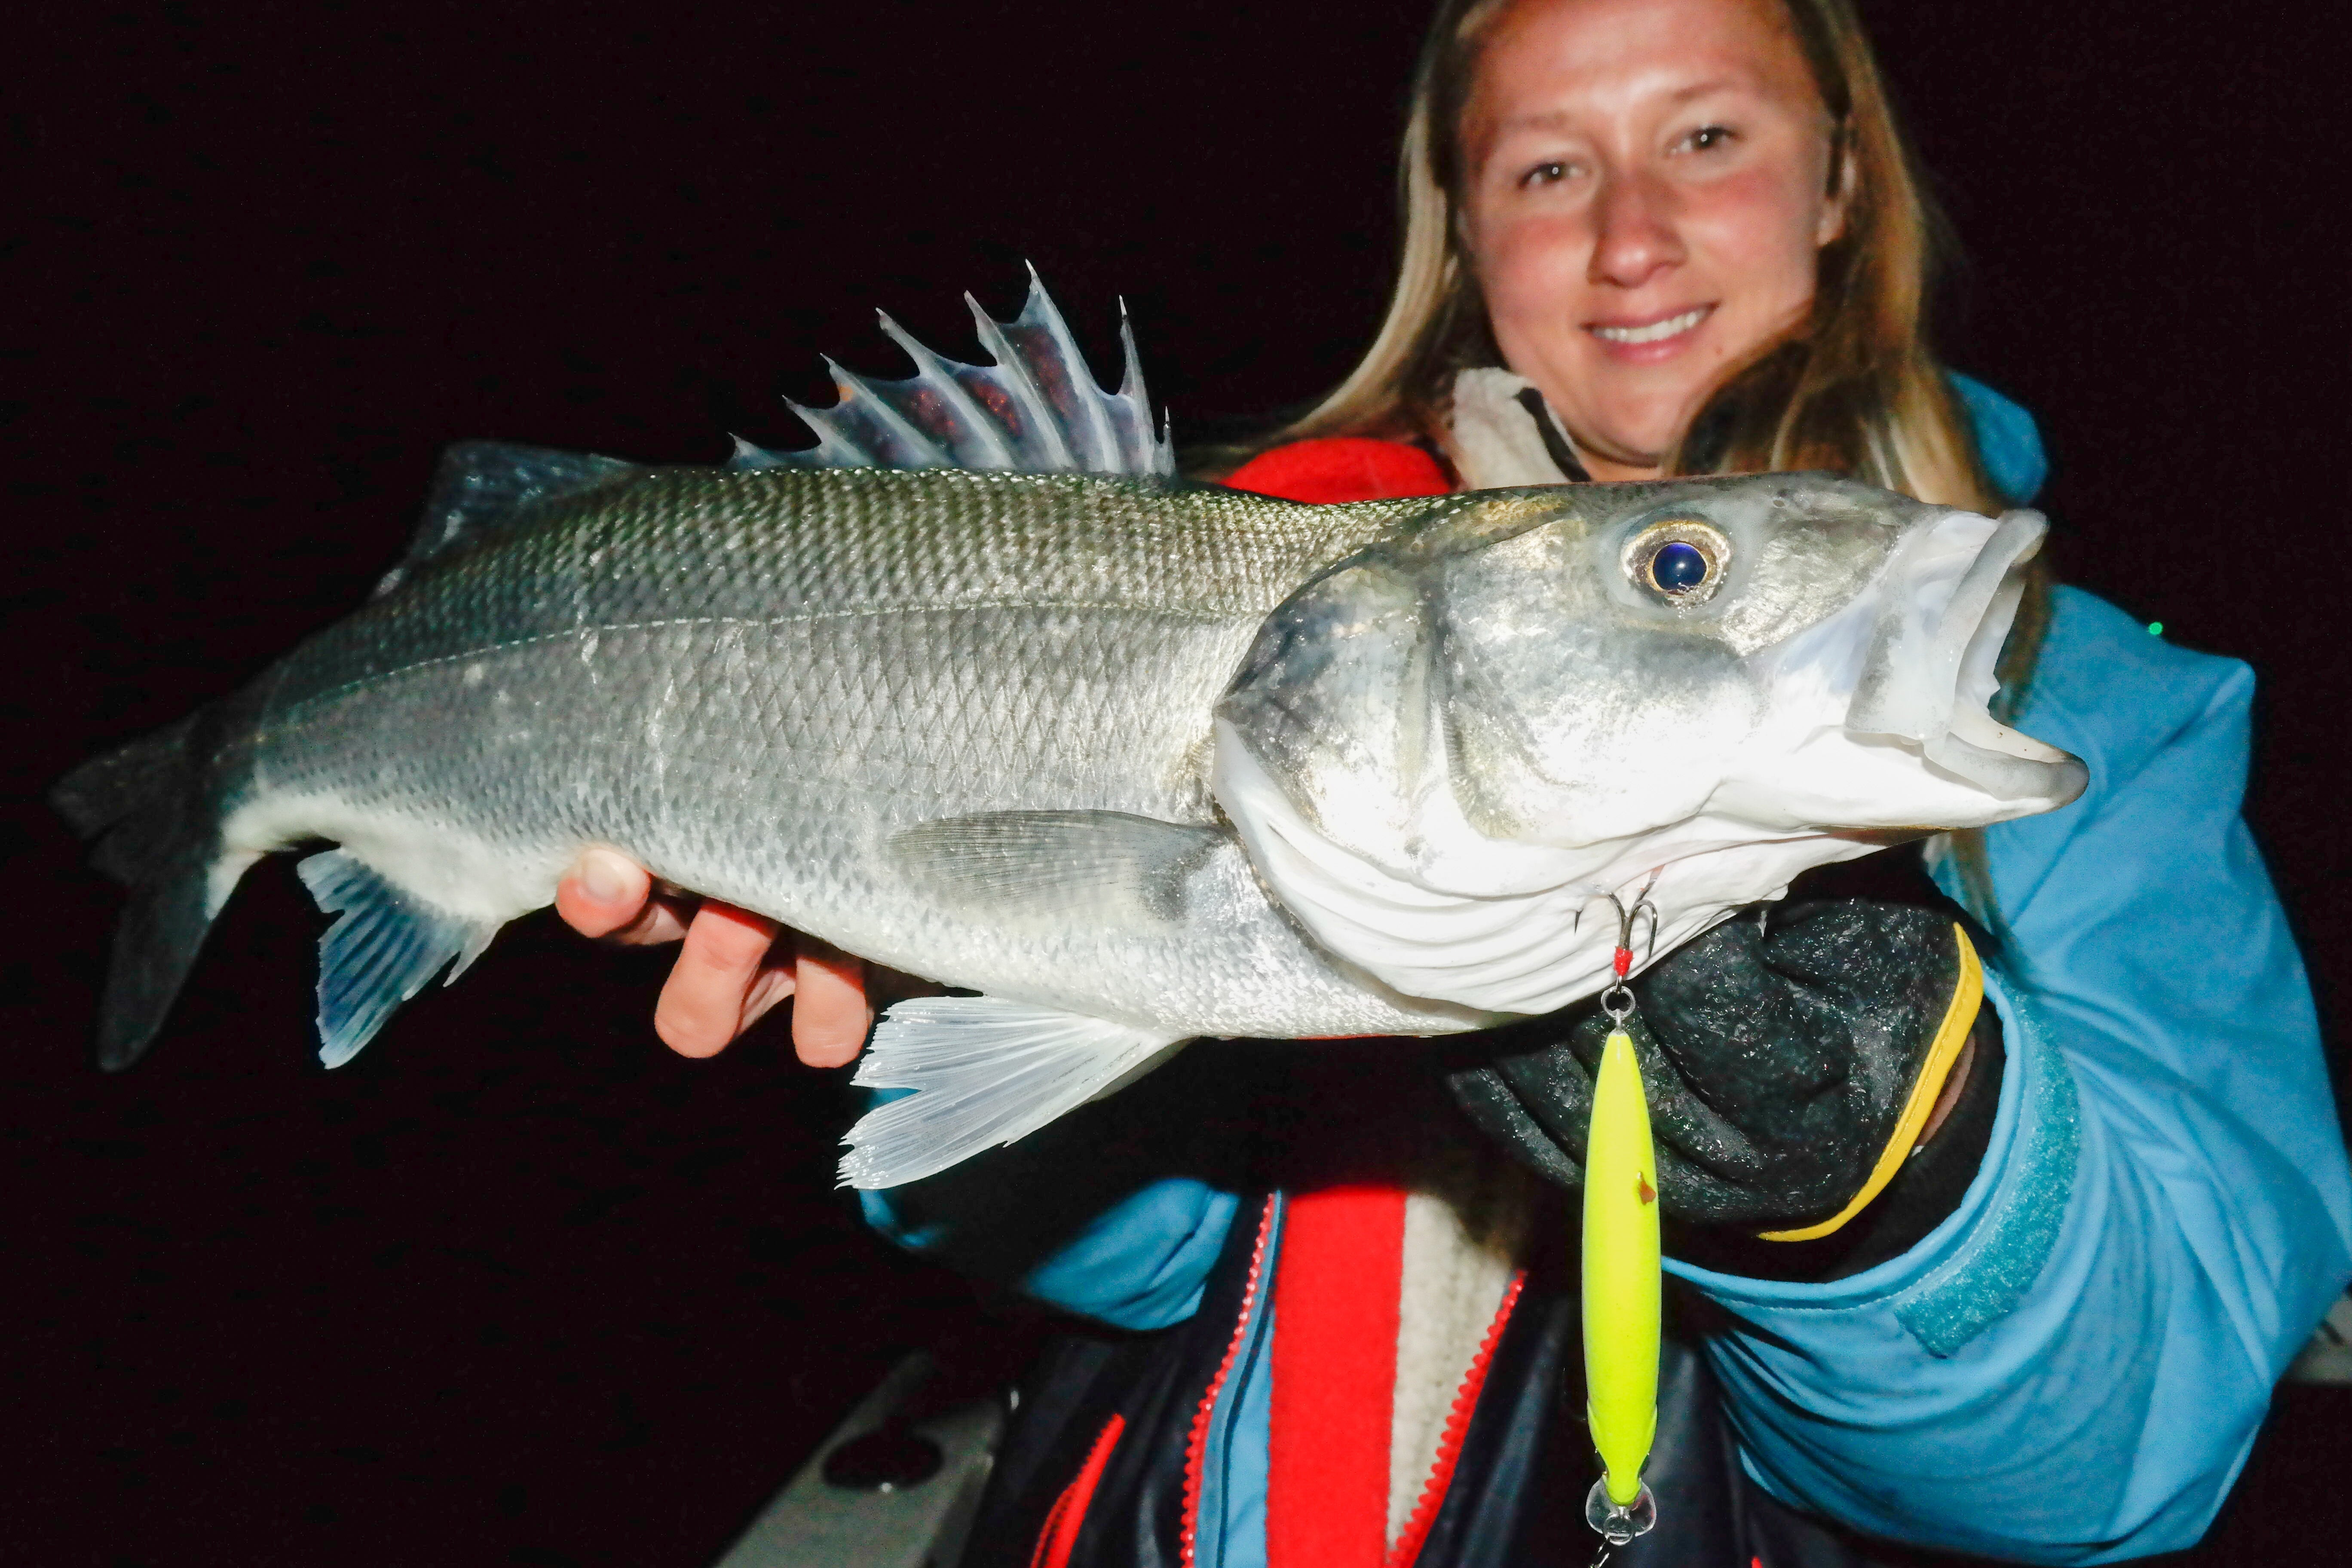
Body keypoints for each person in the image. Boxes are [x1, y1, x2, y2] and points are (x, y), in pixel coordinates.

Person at [554, 0, 2351, 1562]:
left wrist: (1902, 1186)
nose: (1632, 237)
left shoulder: (2112, 714)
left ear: (1842, 178)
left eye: (1707, 134)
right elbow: (1133, 1272)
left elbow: (2122, 1470)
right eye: (1549, 169)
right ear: (1466, 235)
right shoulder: (1259, 561)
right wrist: (930, 985)